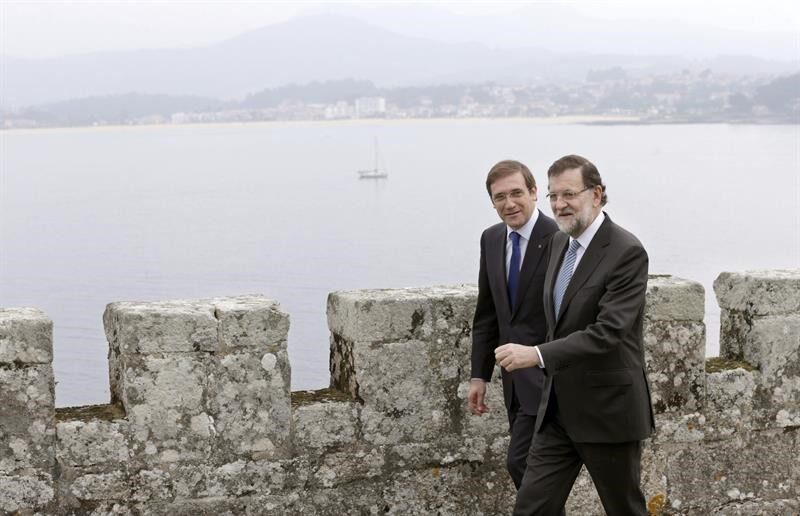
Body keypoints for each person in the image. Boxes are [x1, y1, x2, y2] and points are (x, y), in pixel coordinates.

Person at [495, 154, 655, 515]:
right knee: (531, 508)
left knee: (624, 509)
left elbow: (608, 332)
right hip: (557, 411)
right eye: (553, 196)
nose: (559, 204)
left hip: (607, 411)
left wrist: (536, 354)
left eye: (569, 194)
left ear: (596, 194)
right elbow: (558, 318)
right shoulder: (558, 243)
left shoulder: (626, 251)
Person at [468, 160, 558, 489]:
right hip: (513, 384)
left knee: (521, 462)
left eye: (517, 193)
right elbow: (488, 313)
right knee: (537, 474)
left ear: (534, 192)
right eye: (500, 197)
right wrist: (479, 375)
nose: (509, 203)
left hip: (550, 381)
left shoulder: (559, 237)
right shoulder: (491, 239)